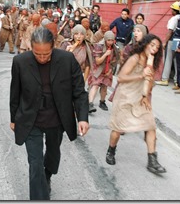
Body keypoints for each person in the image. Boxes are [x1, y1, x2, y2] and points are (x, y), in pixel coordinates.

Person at [10, 27, 89, 200]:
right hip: (31, 119)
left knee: (53, 154)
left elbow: (79, 91)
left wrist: (82, 117)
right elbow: (15, 92)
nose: (42, 58)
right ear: (31, 47)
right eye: (38, 54)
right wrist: (13, 118)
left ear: (53, 47)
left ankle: (48, 175)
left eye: (46, 54)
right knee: (35, 162)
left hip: (57, 117)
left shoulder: (67, 60)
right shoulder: (20, 62)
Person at [106, 34, 166, 174]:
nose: (154, 49)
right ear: (145, 44)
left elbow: (149, 84)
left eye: (157, 47)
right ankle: (111, 151)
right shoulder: (135, 58)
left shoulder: (152, 63)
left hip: (140, 98)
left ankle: (152, 160)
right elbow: (120, 78)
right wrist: (141, 75)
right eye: (152, 45)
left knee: (151, 126)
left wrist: (147, 94)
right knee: (118, 129)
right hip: (125, 96)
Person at [88, 31, 119, 113]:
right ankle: (90, 104)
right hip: (97, 69)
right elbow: (97, 61)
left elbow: (115, 60)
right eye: (108, 40)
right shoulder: (99, 46)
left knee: (104, 86)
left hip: (107, 69)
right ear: (105, 39)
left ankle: (102, 102)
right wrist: (105, 54)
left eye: (112, 40)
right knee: (95, 85)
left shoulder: (114, 48)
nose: (110, 42)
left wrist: (110, 70)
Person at [155, 2, 180, 87]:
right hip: (178, 41)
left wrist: (165, 42)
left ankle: (165, 79)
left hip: (172, 40)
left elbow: (170, 31)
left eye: (172, 9)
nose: (171, 11)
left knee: (168, 59)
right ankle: (177, 80)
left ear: (175, 10)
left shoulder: (174, 19)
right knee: (177, 60)